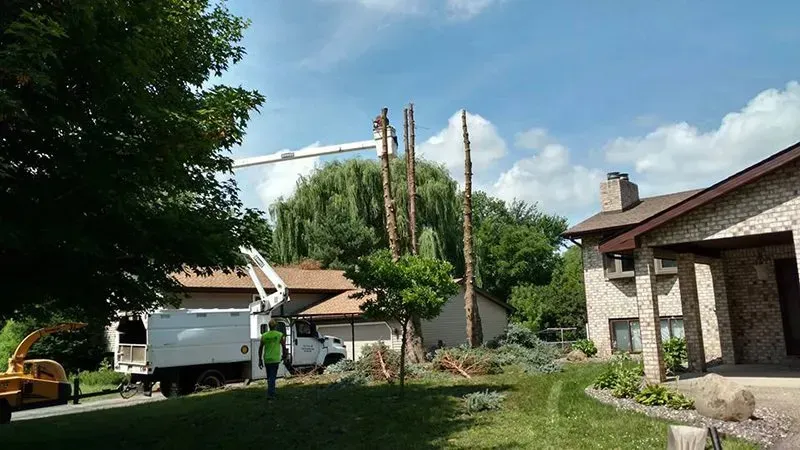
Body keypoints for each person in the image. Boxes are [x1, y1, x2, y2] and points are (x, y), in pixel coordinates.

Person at [258, 319, 286, 400]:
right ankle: (271, 394)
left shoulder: (264, 335)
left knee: (269, 377)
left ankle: (271, 391)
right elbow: (284, 346)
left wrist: (260, 359)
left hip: (267, 359)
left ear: (269, 326)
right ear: (276, 326)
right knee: (273, 377)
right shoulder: (279, 335)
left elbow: (260, 348)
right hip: (275, 359)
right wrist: (285, 356)